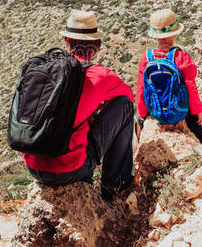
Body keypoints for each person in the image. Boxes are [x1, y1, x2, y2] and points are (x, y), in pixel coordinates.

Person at [22, 10, 136, 201]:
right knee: (124, 106)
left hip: (33, 166)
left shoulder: (45, 70)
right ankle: (115, 188)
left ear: (66, 41)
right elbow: (127, 97)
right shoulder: (100, 75)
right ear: (97, 45)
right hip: (68, 171)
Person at [136, 9, 202, 143]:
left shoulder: (146, 58)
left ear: (155, 36)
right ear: (175, 34)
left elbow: (141, 88)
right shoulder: (181, 56)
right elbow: (190, 86)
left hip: (156, 111)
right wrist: (198, 110)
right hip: (181, 109)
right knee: (199, 135)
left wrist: (142, 114)